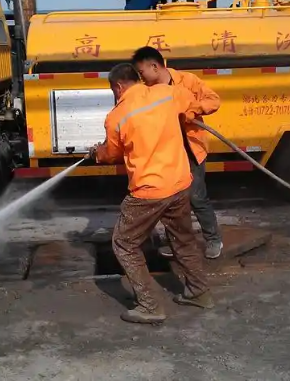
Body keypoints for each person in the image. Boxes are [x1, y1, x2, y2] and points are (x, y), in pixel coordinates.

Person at [88, 63, 213, 324]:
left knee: (124, 243)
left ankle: (149, 306)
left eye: (113, 90)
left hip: (149, 191)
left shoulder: (117, 116)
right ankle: (199, 292)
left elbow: (111, 154)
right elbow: (195, 102)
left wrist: (97, 153)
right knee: (183, 239)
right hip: (179, 183)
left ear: (118, 86)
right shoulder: (166, 93)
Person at [131, 46, 223, 260]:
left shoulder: (187, 81)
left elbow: (213, 100)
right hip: (166, 153)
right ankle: (176, 243)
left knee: (197, 197)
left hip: (191, 150)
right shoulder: (146, 91)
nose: (141, 78)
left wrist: (193, 109)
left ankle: (213, 239)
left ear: (154, 67)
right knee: (170, 201)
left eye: (142, 72)